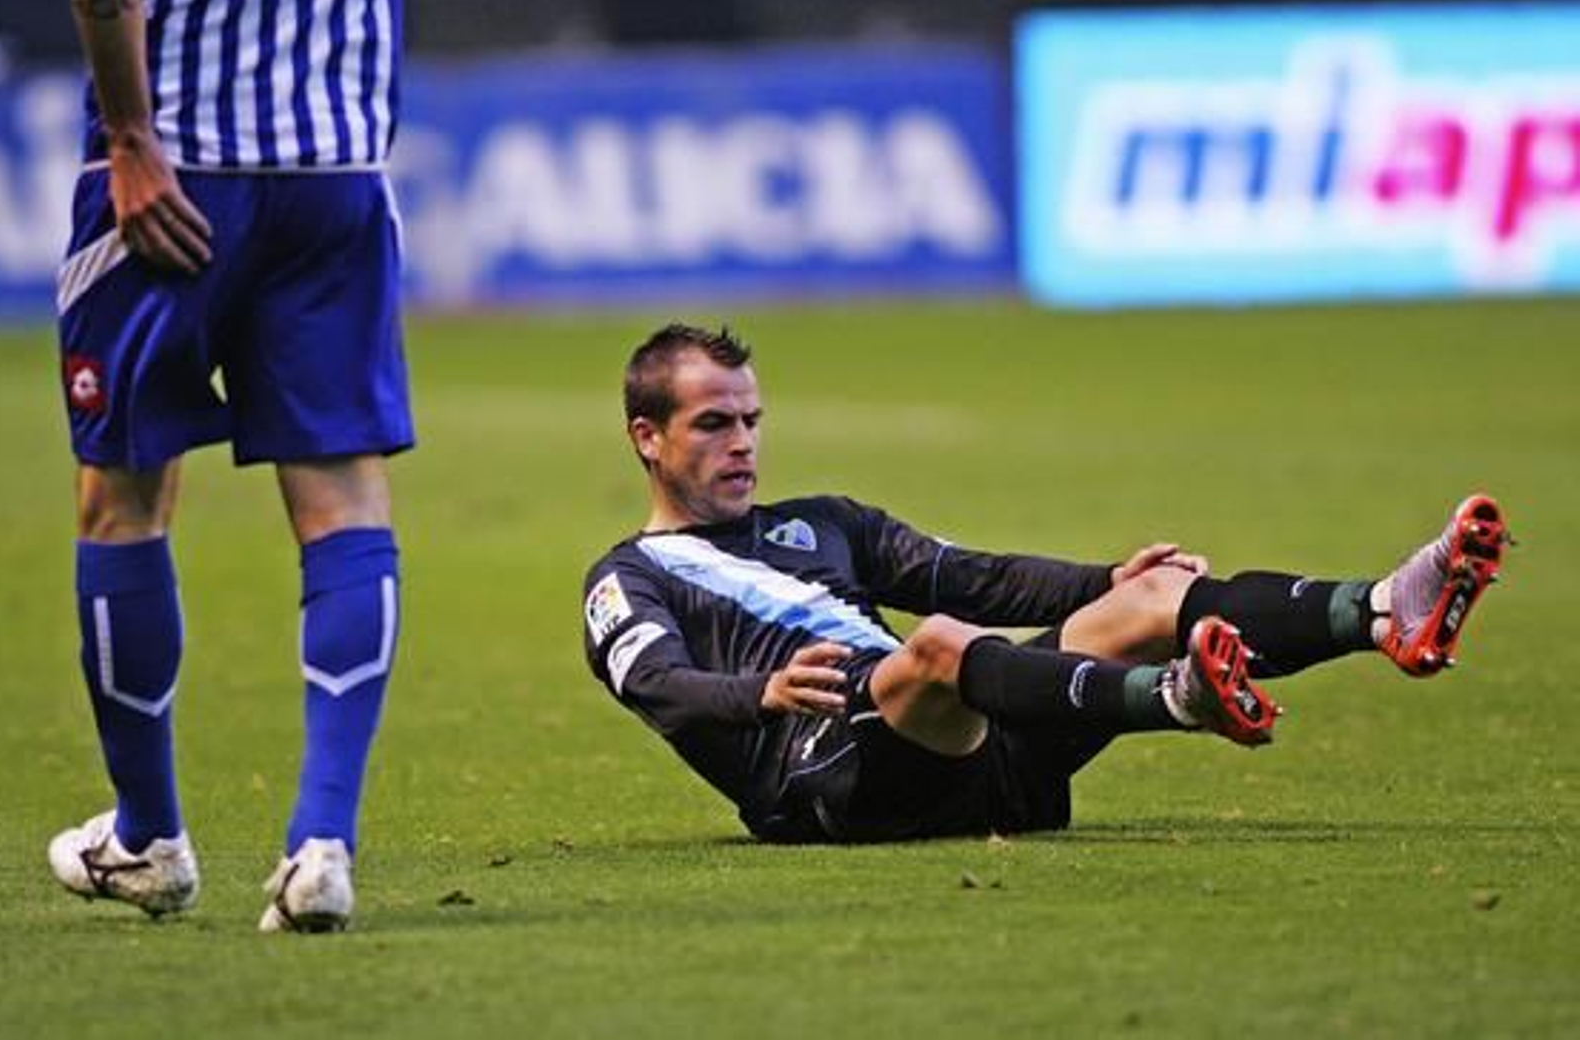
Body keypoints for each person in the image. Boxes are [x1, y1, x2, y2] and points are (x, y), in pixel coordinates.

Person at [580, 324, 1511, 843]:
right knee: (935, 646)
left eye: (751, 419)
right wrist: (765, 692)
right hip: (835, 785)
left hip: (973, 759)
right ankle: (1177, 698)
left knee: (1151, 597)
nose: (742, 442)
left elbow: (970, 576)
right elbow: (659, 685)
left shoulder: (824, 519)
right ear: (646, 437)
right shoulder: (628, 577)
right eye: (713, 424)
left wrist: (1107, 579)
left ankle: (1381, 610)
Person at [48, 0, 410, 932]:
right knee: (344, 497)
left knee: (121, 499)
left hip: (174, 165)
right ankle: (323, 844)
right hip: (333, 168)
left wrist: (130, 137)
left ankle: (147, 837)